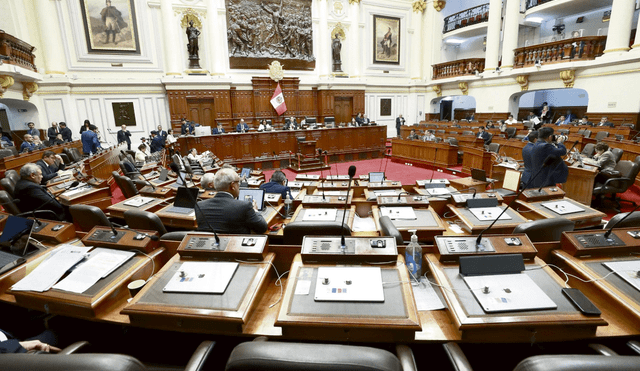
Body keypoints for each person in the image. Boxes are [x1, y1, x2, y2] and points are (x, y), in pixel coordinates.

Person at [195, 168, 268, 234]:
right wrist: (255, 211)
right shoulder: (244, 206)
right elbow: (262, 228)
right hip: (236, 247)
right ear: (232, 185)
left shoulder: (200, 205)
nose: (239, 185)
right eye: (238, 182)